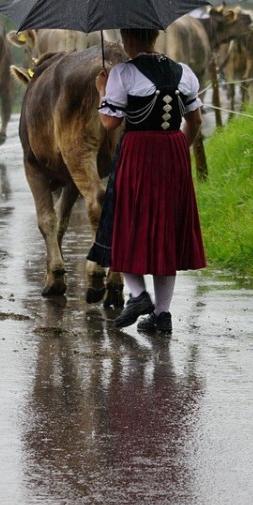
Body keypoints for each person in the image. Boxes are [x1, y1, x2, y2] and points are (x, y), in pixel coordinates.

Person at [87, 28, 207, 333]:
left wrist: (102, 91)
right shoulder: (185, 73)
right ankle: (162, 315)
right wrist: (179, 148)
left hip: (138, 153)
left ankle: (139, 296)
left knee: (126, 223)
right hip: (174, 151)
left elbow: (110, 121)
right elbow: (195, 121)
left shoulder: (123, 74)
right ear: (154, 36)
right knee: (166, 230)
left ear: (128, 39)